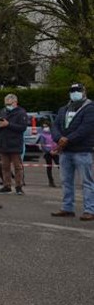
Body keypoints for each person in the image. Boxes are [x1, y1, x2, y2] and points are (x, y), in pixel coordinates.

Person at [51, 83, 94, 221]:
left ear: (83, 92)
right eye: (72, 91)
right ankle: (67, 208)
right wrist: (59, 138)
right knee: (66, 181)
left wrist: (67, 139)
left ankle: (90, 209)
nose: (74, 93)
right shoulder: (64, 109)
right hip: (66, 151)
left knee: (86, 182)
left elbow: (86, 128)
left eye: (77, 91)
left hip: (82, 150)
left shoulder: (90, 108)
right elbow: (55, 126)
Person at [0, 94, 29, 196]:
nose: (7, 106)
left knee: (17, 167)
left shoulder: (21, 113)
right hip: (4, 143)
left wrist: (8, 124)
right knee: (5, 166)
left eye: (9, 104)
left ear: (15, 103)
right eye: (6, 104)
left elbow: (22, 128)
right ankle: (7, 185)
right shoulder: (3, 111)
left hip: (15, 143)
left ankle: (19, 186)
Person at [37, 120, 59, 187]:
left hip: (55, 152)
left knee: (60, 165)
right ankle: (51, 181)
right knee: (49, 168)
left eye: (46, 126)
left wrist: (56, 150)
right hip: (47, 153)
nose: (45, 128)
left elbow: (57, 142)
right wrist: (49, 151)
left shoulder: (54, 134)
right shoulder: (42, 136)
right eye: (43, 127)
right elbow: (43, 145)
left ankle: (65, 180)